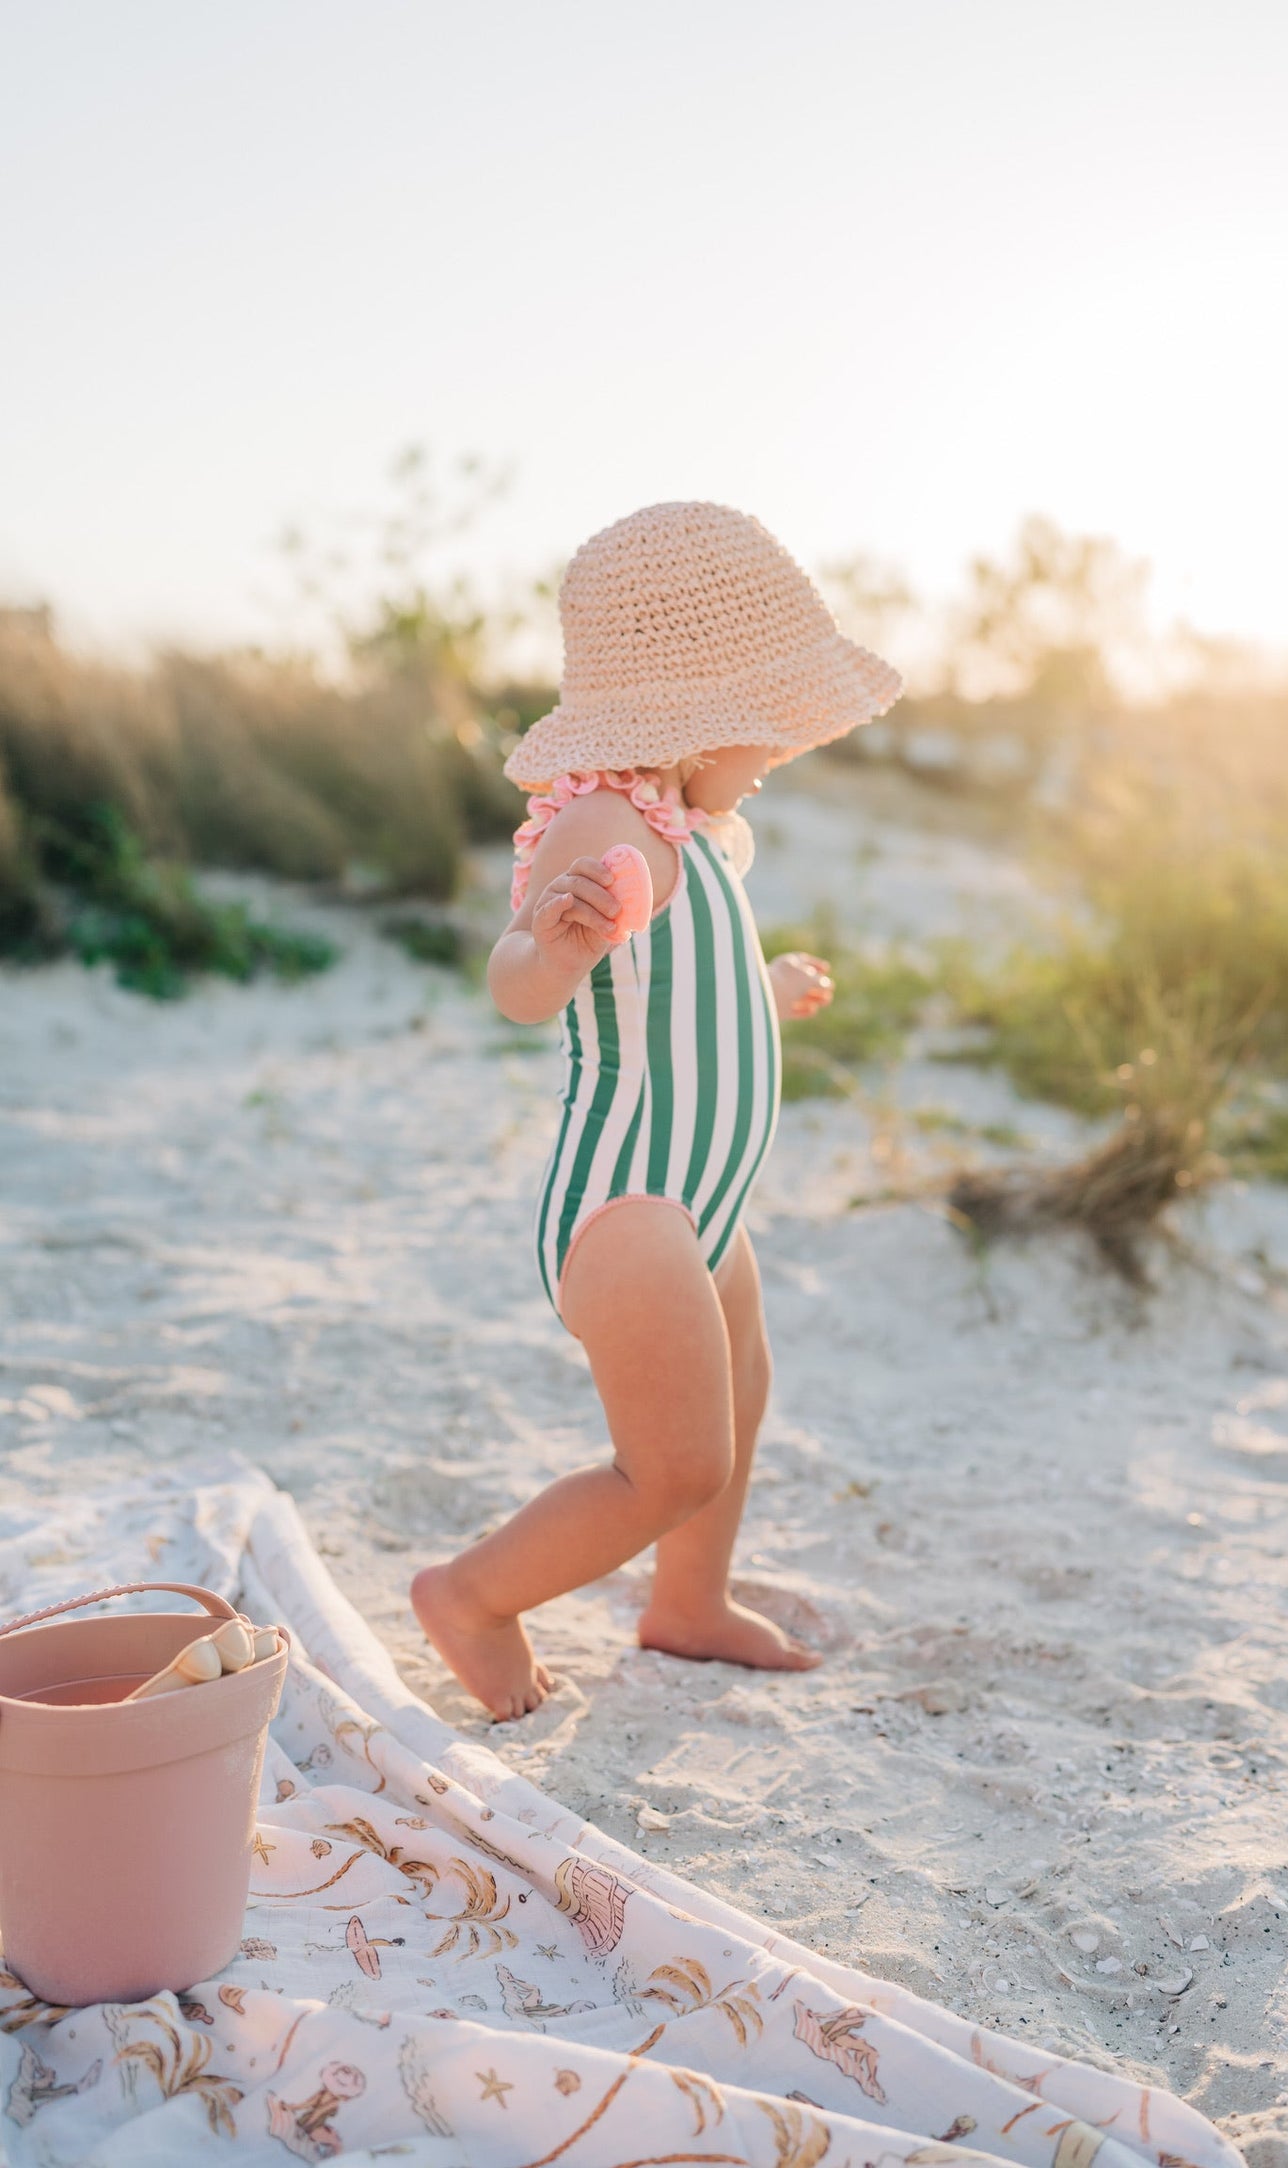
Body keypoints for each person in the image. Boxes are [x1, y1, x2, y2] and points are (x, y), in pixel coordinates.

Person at [412, 501, 901, 1718]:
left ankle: (686, 1604)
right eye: (767, 727)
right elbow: (516, 980)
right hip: (628, 1201)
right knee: (670, 1462)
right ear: (692, 711)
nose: (781, 751)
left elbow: (683, 980)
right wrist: (554, 950)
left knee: (738, 1397)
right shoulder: (600, 823)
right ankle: (470, 1597)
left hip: (702, 1201)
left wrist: (763, 988)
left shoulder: (697, 828)